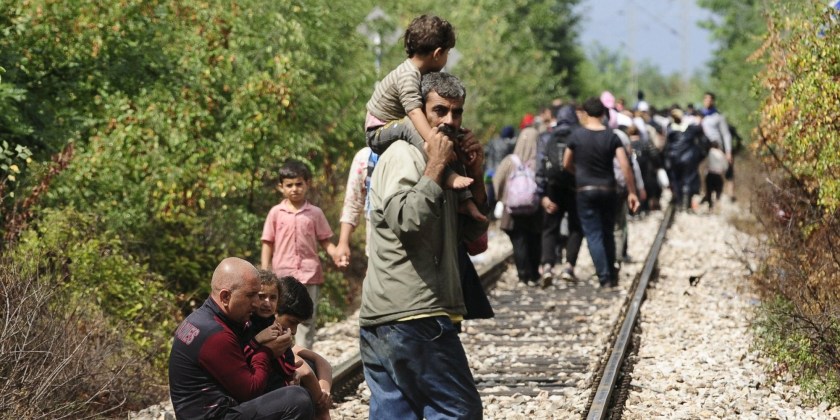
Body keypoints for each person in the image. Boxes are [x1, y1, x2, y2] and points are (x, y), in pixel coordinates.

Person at [360, 72, 488, 419]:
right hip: (413, 314)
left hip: (393, 316)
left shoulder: (445, 162)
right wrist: (436, 166)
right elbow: (406, 220)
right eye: (439, 110)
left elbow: (474, 235)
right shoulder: (405, 155)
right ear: (419, 111)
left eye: (456, 112)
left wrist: (475, 173)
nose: (450, 121)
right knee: (458, 410)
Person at [364, 14, 485, 223]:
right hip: (379, 131)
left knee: (450, 135)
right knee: (417, 128)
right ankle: (447, 175)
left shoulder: (417, 74)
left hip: (396, 125)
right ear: (438, 53)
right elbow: (413, 112)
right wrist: (434, 143)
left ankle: (465, 199)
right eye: (447, 53)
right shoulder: (408, 75)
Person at [168, 257, 314, 419]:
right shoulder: (215, 334)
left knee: (304, 373)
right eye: (251, 295)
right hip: (214, 415)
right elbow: (251, 391)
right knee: (297, 400)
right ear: (225, 297)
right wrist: (267, 351)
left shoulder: (207, 318)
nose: (257, 303)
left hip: (220, 406)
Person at [261, 159, 338, 349]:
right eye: (289, 185)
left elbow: (325, 241)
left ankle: (303, 356)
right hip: (283, 276)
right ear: (281, 187)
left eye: (298, 184)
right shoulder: (276, 213)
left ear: (307, 184)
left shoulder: (315, 213)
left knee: (306, 319)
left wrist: (337, 255)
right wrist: (264, 272)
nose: (294, 189)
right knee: (280, 316)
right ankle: (280, 354)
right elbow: (267, 243)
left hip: (309, 274)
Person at [563, 98, 640, 288]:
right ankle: (611, 274)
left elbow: (566, 163)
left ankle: (604, 277)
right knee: (608, 232)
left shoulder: (576, 136)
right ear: (603, 114)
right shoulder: (611, 136)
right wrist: (632, 192)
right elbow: (625, 166)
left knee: (593, 234)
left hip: (585, 190)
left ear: (585, 113)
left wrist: (579, 173)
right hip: (608, 189)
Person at [535, 104, 583, 284]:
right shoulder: (579, 135)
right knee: (576, 227)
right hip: (574, 187)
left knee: (549, 227)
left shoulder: (546, 137)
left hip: (552, 187)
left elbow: (540, 166)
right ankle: (569, 267)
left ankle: (548, 267)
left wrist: (542, 195)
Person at [493, 126, 543, 287]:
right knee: (534, 240)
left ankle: (523, 276)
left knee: (518, 241)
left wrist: (502, 198)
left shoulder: (510, 161)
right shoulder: (539, 162)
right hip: (535, 210)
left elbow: (497, 181)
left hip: (512, 210)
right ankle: (534, 274)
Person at [335, 146, 372, 268]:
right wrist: (343, 242)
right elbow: (353, 202)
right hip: (376, 251)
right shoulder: (366, 156)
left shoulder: (417, 148)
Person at [700, 92, 734, 200]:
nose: (708, 102)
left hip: (715, 148)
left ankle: (718, 196)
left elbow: (726, 134)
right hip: (702, 149)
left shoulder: (718, 117)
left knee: (715, 173)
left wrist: (728, 151)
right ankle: (706, 194)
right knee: (703, 173)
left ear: (713, 101)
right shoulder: (700, 116)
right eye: (706, 99)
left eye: (710, 100)